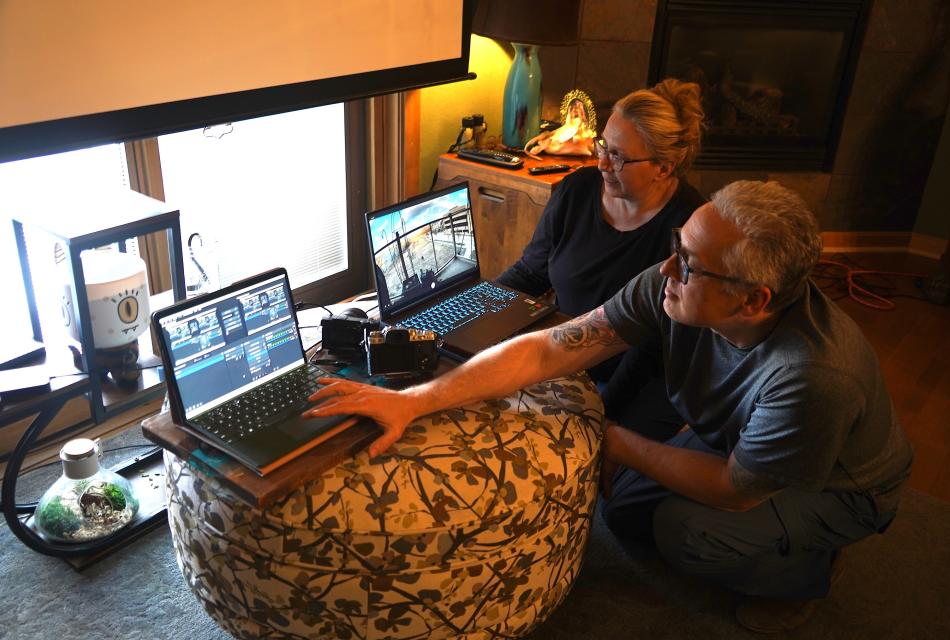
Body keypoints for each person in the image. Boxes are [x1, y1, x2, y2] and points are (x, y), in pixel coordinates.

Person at [302, 180, 913, 633]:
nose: (668, 266)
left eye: (691, 264)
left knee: (685, 533)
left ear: (753, 300)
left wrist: (613, 440)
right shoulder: (675, 284)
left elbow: (736, 490)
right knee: (624, 517)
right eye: (677, 245)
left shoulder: (812, 377)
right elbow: (549, 351)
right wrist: (416, 399)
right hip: (745, 442)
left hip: (836, 485)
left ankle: (807, 574)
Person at [497, 79, 705, 440]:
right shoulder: (576, 190)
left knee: (598, 449)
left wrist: (603, 410)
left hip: (645, 375)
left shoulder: (689, 226)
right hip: (570, 355)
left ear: (664, 168)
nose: (602, 163)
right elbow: (532, 273)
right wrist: (478, 306)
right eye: (603, 146)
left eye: (619, 157)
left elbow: (655, 345)